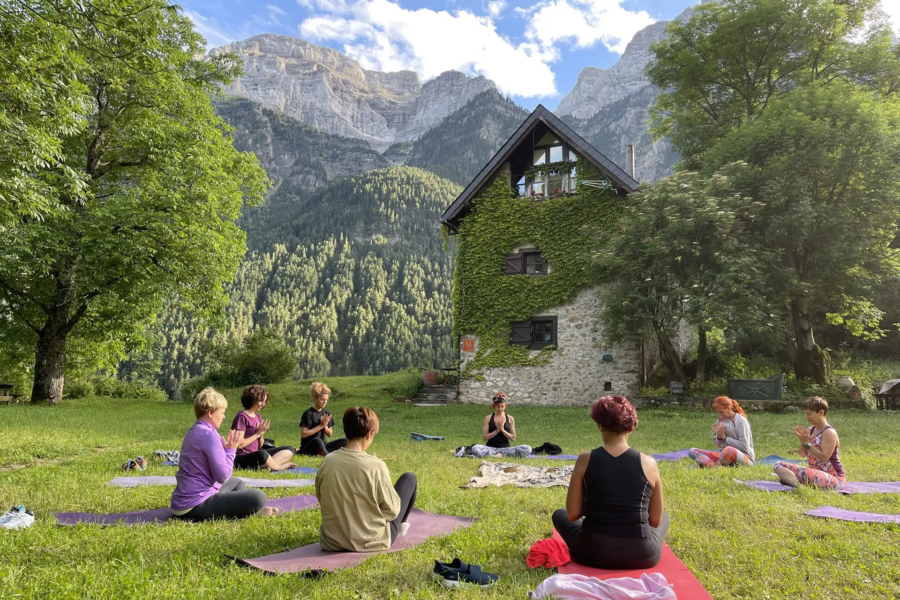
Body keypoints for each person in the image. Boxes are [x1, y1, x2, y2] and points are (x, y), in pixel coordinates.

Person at [552, 395, 668, 570]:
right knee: (664, 516)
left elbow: (572, 515)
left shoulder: (585, 460)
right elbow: (655, 520)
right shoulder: (649, 463)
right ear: (632, 427)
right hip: (642, 555)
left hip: (591, 553)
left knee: (559, 514)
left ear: (600, 426)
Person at [315, 406, 417, 551]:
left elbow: (322, 498)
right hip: (372, 541)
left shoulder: (327, 461)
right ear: (369, 434)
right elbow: (392, 512)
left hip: (333, 542)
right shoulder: (377, 466)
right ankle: (399, 528)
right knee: (409, 478)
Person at [170, 387, 277, 522]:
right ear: (210, 413)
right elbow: (222, 476)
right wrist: (231, 450)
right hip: (195, 506)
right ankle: (250, 513)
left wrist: (226, 450)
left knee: (237, 483)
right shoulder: (209, 434)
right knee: (258, 497)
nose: (224, 416)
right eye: (222, 412)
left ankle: (246, 511)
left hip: (181, 504)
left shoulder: (195, 430)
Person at [773, 396, 846, 490]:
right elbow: (803, 454)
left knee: (793, 474)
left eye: (809, 414)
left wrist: (807, 443)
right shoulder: (810, 430)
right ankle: (798, 485)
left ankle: (799, 487)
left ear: (821, 413)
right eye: (806, 414)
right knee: (778, 465)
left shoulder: (829, 432)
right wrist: (802, 441)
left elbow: (824, 457)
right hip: (815, 474)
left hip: (834, 478)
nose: (807, 417)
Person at [231, 385, 296, 471]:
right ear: (253, 399)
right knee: (262, 454)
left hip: (255, 453)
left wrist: (261, 434)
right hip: (241, 457)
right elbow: (239, 445)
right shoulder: (242, 417)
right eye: (261, 401)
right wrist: (257, 434)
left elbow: (259, 445)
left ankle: (268, 466)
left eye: (264, 401)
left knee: (289, 449)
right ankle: (277, 467)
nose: (264, 404)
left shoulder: (257, 416)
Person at [688, 396, 755, 467]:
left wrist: (725, 438)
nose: (720, 415)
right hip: (723, 455)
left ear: (728, 408)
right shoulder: (720, 421)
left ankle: (712, 465)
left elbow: (744, 446)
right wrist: (719, 437)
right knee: (693, 451)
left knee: (728, 450)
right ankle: (714, 464)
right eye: (718, 412)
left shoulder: (741, 421)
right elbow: (719, 445)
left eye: (721, 412)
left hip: (744, 457)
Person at [298, 382, 348, 457]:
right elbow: (303, 434)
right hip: (309, 447)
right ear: (316, 398)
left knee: (345, 441)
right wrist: (320, 426)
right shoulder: (308, 414)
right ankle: (328, 456)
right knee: (317, 440)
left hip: (323, 445)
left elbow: (330, 434)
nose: (325, 402)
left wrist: (325, 426)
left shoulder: (326, 413)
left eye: (326, 400)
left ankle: (322, 453)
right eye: (322, 399)